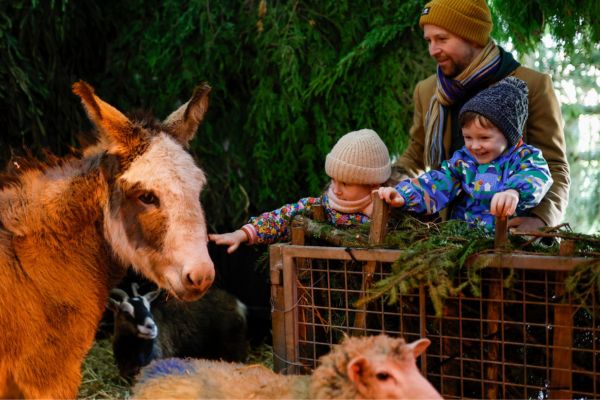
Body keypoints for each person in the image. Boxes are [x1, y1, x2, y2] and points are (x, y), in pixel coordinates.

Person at [392, 0, 569, 231]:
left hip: (509, 233)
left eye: (442, 39)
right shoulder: (428, 92)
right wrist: (386, 184)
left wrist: (541, 220)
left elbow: (554, 165)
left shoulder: (531, 85)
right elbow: (415, 158)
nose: (433, 50)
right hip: (448, 235)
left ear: (472, 36)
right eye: (429, 40)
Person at [378, 77, 553, 231]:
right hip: (463, 243)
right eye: (468, 137)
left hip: (507, 244)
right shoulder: (464, 161)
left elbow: (536, 175)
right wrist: (405, 195)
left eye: (484, 138)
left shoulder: (524, 157)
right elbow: (437, 182)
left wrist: (514, 191)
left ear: (509, 135)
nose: (475, 146)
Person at [210, 129, 392, 253]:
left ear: (373, 185)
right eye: (333, 180)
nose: (335, 190)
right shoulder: (321, 207)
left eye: (346, 183)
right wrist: (242, 234)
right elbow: (282, 218)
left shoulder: (392, 209)